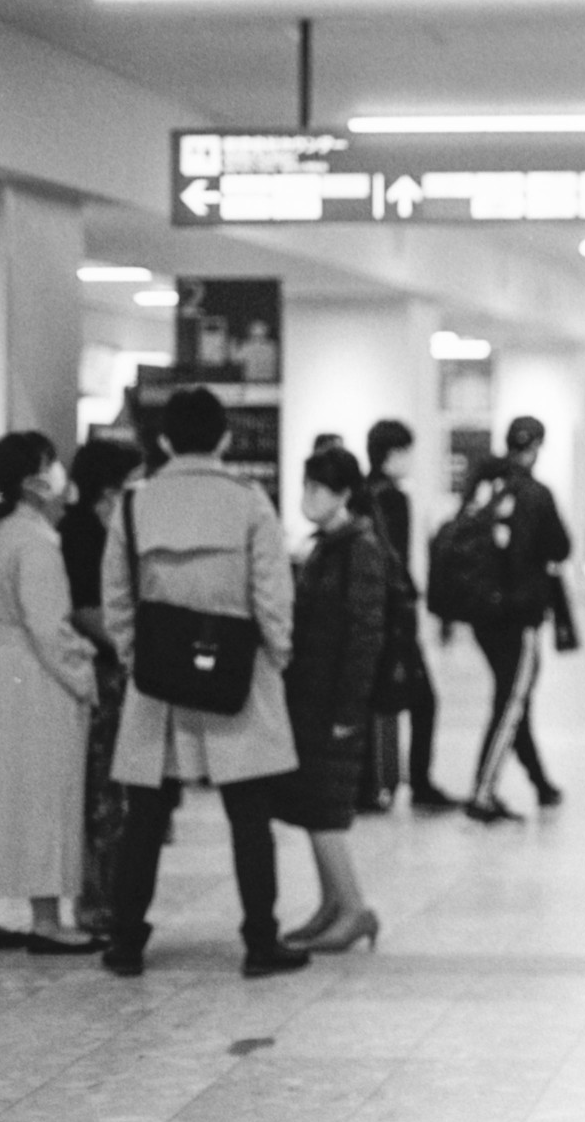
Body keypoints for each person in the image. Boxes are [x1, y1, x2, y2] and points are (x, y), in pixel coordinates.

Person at [102, 386, 309, 978]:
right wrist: (278, 653)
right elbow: (273, 594)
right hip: (236, 671)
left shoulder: (135, 503)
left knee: (144, 815)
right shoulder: (249, 502)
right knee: (250, 814)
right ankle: (261, 943)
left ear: (164, 440)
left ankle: (125, 942)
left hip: (158, 678)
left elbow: (116, 594)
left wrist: (133, 653)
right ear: (225, 438)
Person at [0, 432, 103, 955]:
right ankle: (46, 918)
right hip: (35, 679)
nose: (59, 471)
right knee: (44, 794)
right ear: (35, 479)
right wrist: (84, 677)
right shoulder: (36, 541)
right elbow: (48, 626)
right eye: (51, 462)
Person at [276, 448, 387, 952]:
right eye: (306, 486)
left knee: (326, 811)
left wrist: (348, 710)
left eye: (319, 488)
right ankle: (332, 905)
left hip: (334, 703)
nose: (308, 497)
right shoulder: (326, 546)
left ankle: (356, 908)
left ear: (343, 494)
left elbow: (365, 634)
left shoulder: (357, 549)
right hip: (310, 697)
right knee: (313, 805)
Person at [464, 415, 572, 824]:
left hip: (480, 613)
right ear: (536, 447)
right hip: (517, 614)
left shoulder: (480, 485)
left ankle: (540, 782)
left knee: (512, 697)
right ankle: (483, 792)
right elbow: (560, 547)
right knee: (511, 700)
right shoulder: (535, 494)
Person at [59, 439, 145, 936]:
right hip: (97, 675)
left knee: (113, 789)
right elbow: (86, 607)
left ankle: (110, 897)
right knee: (100, 791)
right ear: (109, 487)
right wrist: (129, 645)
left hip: (113, 671)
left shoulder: (107, 526)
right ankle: (95, 900)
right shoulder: (80, 532)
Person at [364, 418, 456, 810]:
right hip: (395, 619)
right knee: (423, 701)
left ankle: (380, 782)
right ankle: (418, 782)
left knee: (381, 702)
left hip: (371, 618)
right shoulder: (393, 499)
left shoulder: (362, 494)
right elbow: (395, 560)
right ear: (392, 454)